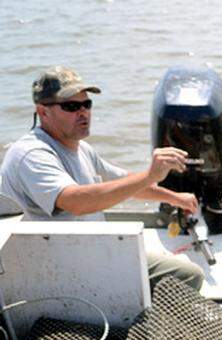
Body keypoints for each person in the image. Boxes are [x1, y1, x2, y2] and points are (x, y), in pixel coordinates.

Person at [0, 66, 205, 289]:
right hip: (53, 270)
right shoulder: (32, 154)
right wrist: (149, 175)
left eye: (86, 104)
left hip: (87, 256)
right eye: (71, 106)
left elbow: (124, 182)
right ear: (43, 112)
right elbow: (76, 202)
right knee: (187, 275)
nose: (83, 112)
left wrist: (175, 198)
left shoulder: (81, 149)